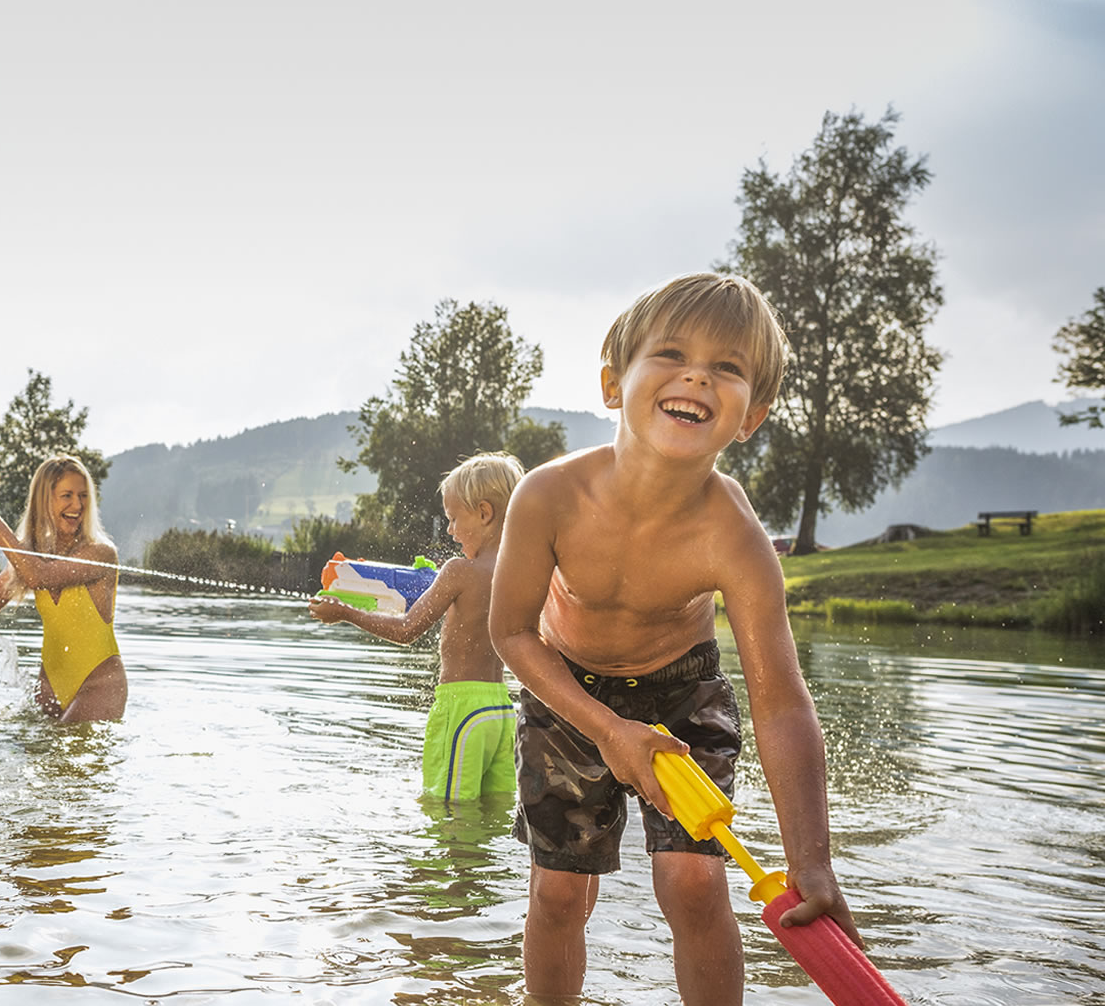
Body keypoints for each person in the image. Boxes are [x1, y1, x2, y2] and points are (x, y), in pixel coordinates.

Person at [487, 273, 860, 1005]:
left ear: (750, 415)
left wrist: (811, 862)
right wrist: (608, 730)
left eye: (727, 366)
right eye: (672, 353)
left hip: (680, 686)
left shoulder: (736, 536)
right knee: (561, 889)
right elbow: (509, 632)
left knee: (691, 879)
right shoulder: (548, 495)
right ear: (612, 383)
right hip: (566, 689)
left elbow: (780, 700)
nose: (697, 374)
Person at [308, 452, 522, 805]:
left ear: (484, 513)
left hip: (461, 709)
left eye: (454, 519)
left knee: (448, 812)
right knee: (493, 812)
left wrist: (345, 612)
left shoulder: (457, 572)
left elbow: (407, 630)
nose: (450, 530)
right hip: (500, 711)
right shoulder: (519, 571)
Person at [0, 455, 126, 722]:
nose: (77, 505)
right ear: (46, 501)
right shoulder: (33, 554)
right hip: (49, 687)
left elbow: (38, 576)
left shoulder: (100, 552)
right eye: (67, 495)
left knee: (63, 759)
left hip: (98, 686)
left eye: (83, 496)